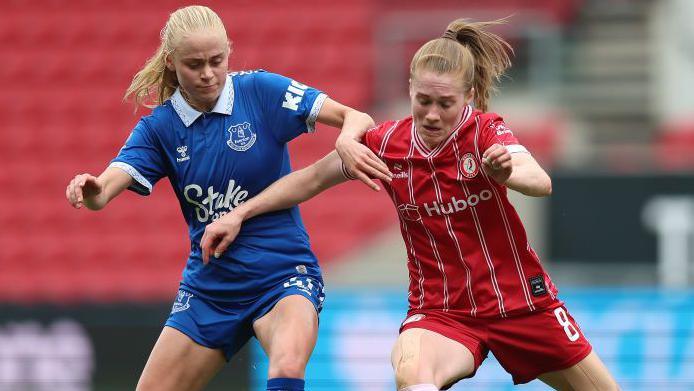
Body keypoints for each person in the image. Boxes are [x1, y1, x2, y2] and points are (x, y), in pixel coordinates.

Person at [201, 18, 620, 391]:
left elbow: (539, 181)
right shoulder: (387, 144)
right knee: (413, 375)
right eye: (424, 101)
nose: (433, 115)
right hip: (442, 313)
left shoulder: (485, 132)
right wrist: (239, 213)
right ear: (410, 90)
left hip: (522, 305)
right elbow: (310, 180)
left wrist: (505, 172)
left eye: (445, 104)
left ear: (469, 97)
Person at [65, 5, 390, 391]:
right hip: (211, 288)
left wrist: (345, 139)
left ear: (229, 53)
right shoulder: (159, 129)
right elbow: (104, 193)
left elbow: (356, 118)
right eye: (194, 64)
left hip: (282, 274)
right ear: (171, 62)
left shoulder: (261, 91)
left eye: (217, 61)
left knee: (287, 365)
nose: (208, 74)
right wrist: (94, 189)